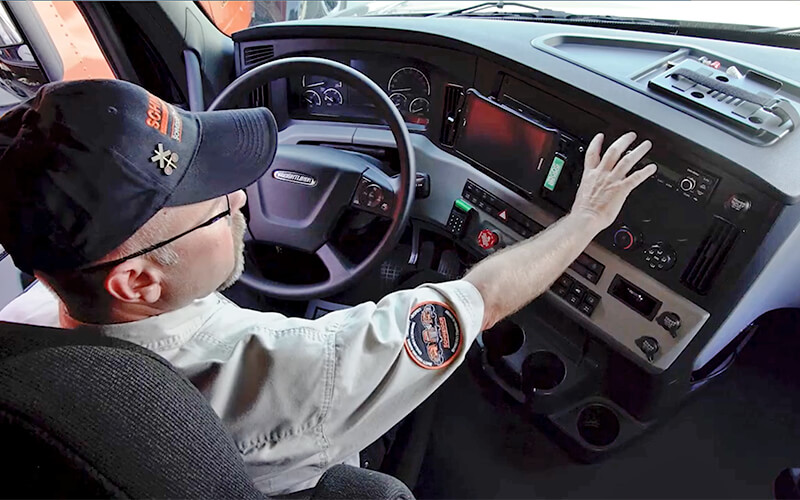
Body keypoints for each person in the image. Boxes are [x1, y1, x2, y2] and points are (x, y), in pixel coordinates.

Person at [0, 79, 656, 495]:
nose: (239, 198)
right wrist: (588, 218)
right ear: (138, 280)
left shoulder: (27, 321)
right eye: (210, 200)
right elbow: (482, 299)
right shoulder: (303, 367)